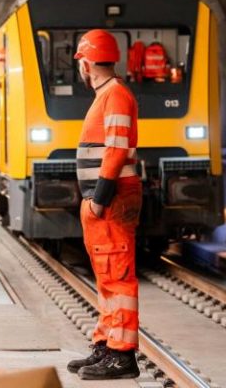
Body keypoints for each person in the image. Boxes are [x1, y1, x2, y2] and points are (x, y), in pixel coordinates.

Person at [67, 29, 142, 380]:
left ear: (86, 63)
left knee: (118, 276)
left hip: (111, 200)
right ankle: (106, 344)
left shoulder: (116, 95)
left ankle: (122, 355)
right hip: (103, 201)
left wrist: (99, 198)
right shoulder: (106, 95)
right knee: (107, 277)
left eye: (80, 62)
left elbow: (116, 149)